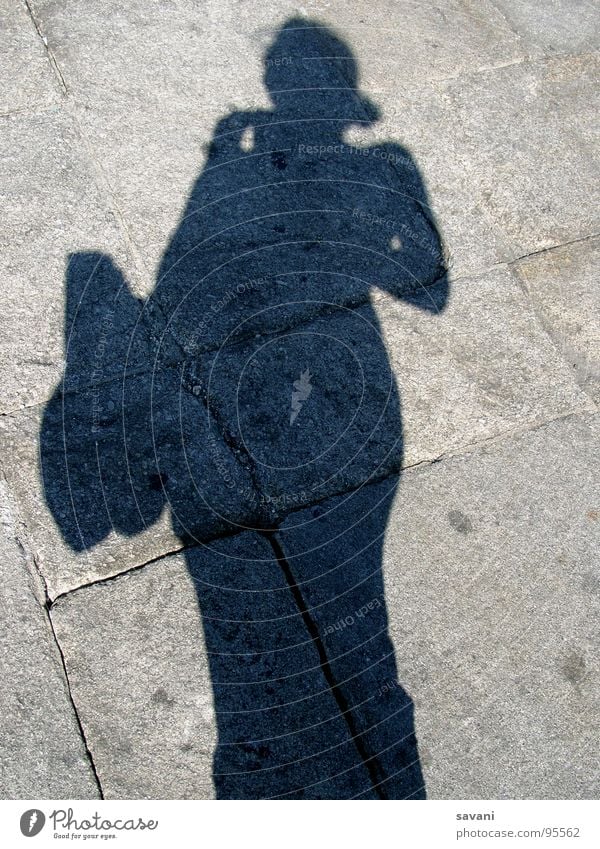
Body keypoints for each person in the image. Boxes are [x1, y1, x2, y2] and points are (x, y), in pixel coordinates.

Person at [42, 18, 448, 798]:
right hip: (313, 411)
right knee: (314, 626)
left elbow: (430, 287)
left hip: (334, 415)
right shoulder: (269, 159)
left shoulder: (380, 166)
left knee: (322, 619)